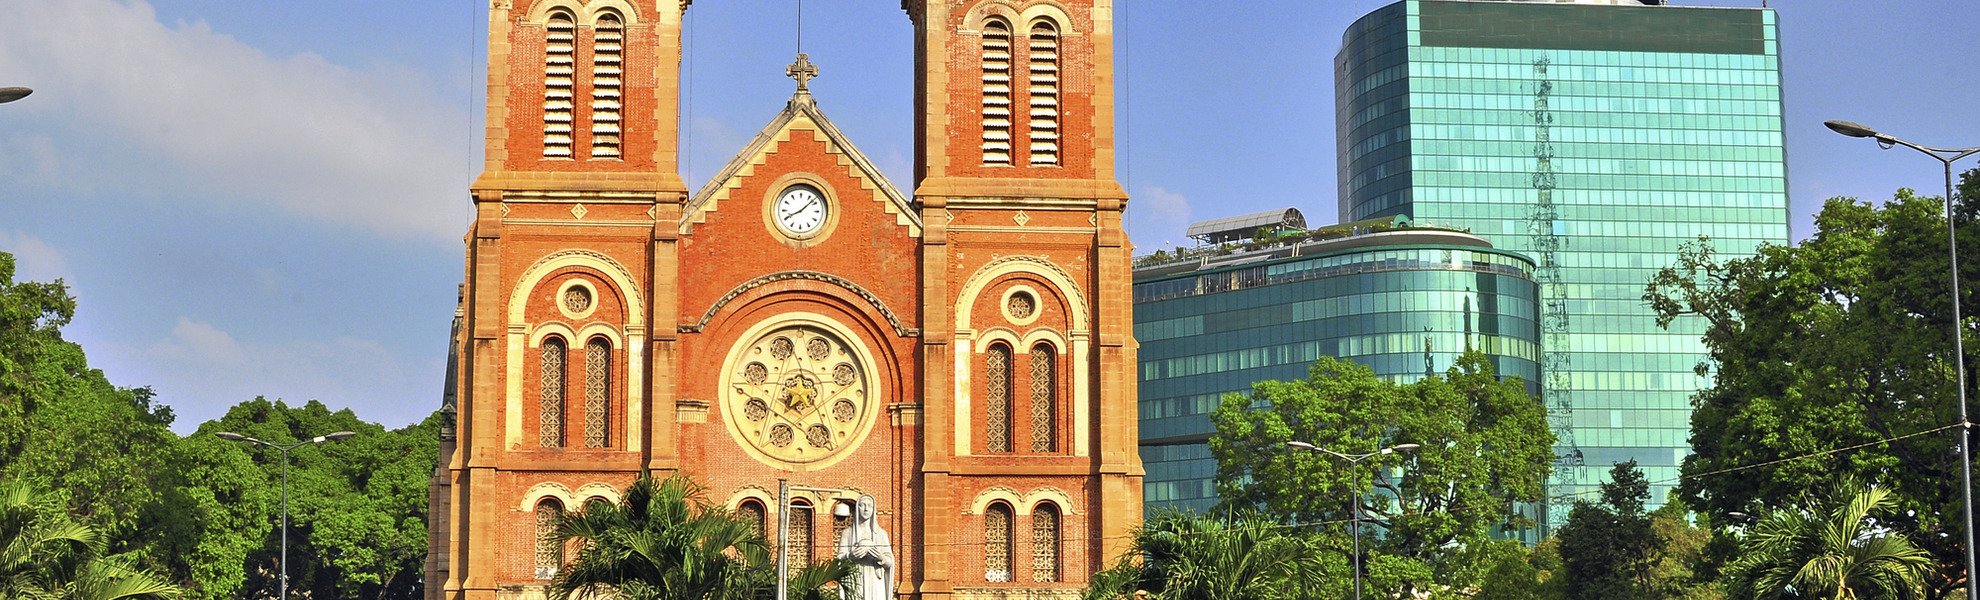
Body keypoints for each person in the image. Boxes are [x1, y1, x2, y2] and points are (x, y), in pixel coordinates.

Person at [836, 494, 895, 600]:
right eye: (862, 505)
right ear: (857, 508)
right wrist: (850, 556)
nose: (866, 509)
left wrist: (881, 557)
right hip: (855, 578)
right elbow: (839, 559)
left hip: (875, 579)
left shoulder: (881, 534)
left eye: (870, 506)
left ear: (873, 509)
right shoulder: (847, 533)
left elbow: (889, 561)